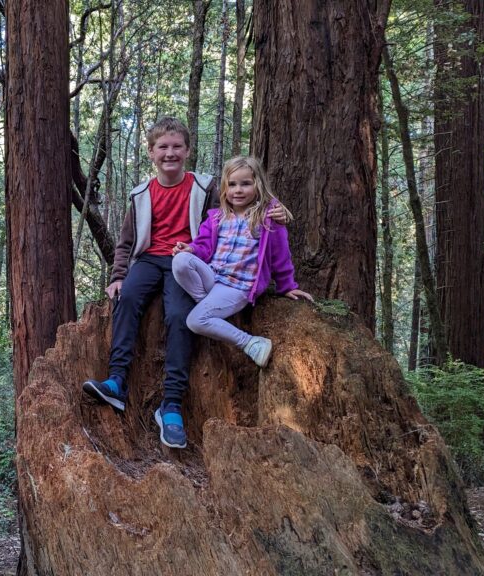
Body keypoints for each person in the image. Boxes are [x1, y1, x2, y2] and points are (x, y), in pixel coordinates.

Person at [81, 118, 287, 450]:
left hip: (189, 263)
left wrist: (274, 211)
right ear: (150, 152)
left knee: (179, 316)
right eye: (162, 147)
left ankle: (172, 404)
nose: (170, 153)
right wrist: (118, 276)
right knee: (128, 298)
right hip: (149, 260)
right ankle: (117, 382)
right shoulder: (140, 194)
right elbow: (126, 242)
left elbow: (238, 210)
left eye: (177, 146)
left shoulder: (204, 188)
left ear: (188, 151)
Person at [171, 155, 313, 373]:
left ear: (258, 185)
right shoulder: (217, 217)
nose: (238, 190)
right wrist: (190, 249)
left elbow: (280, 256)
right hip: (213, 278)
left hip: (237, 287)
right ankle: (207, 304)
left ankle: (251, 343)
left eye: (245, 184)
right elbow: (203, 247)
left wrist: (288, 286)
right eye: (232, 184)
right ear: (225, 188)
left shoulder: (266, 218)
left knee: (195, 321)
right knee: (180, 260)